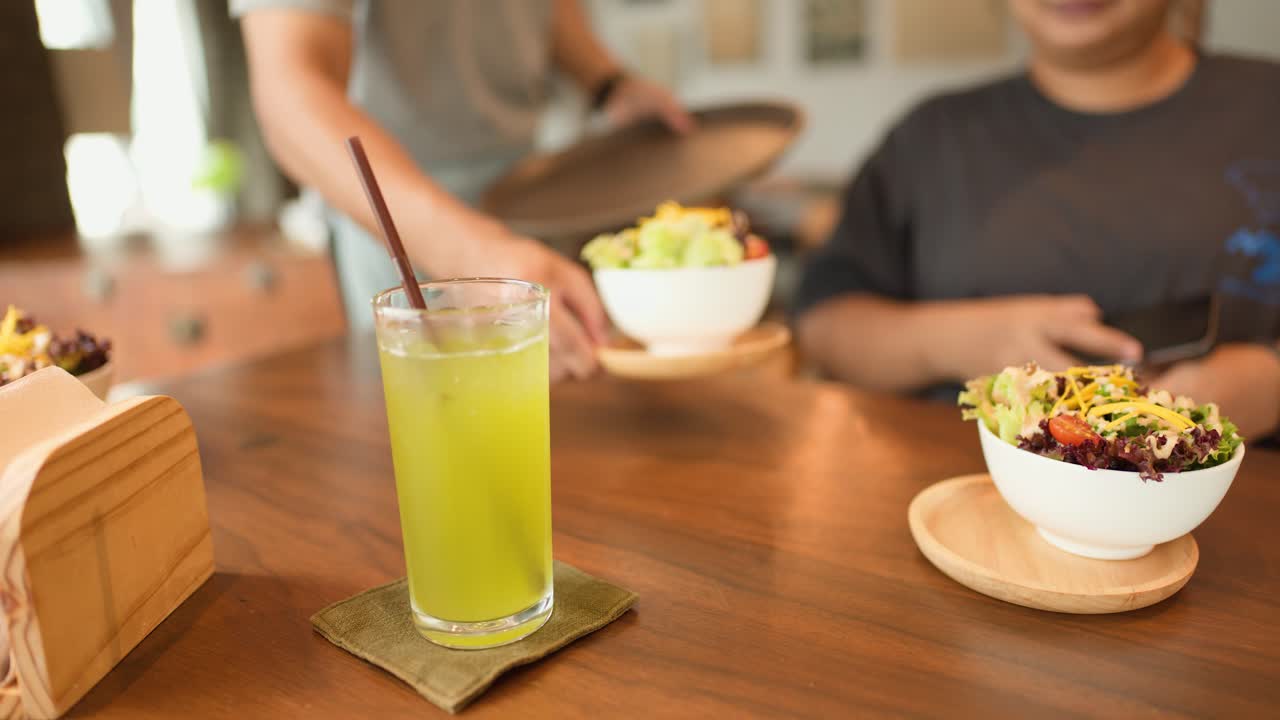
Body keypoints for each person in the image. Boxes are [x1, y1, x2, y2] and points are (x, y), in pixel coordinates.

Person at [795, 0, 1280, 439]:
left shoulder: (1265, 107)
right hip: (963, 508)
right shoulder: (931, 139)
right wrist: (953, 339)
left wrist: (1270, 383)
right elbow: (823, 323)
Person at [233, 0, 691, 381]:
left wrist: (607, 84)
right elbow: (289, 90)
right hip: (404, 217)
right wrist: (473, 253)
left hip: (528, 189)